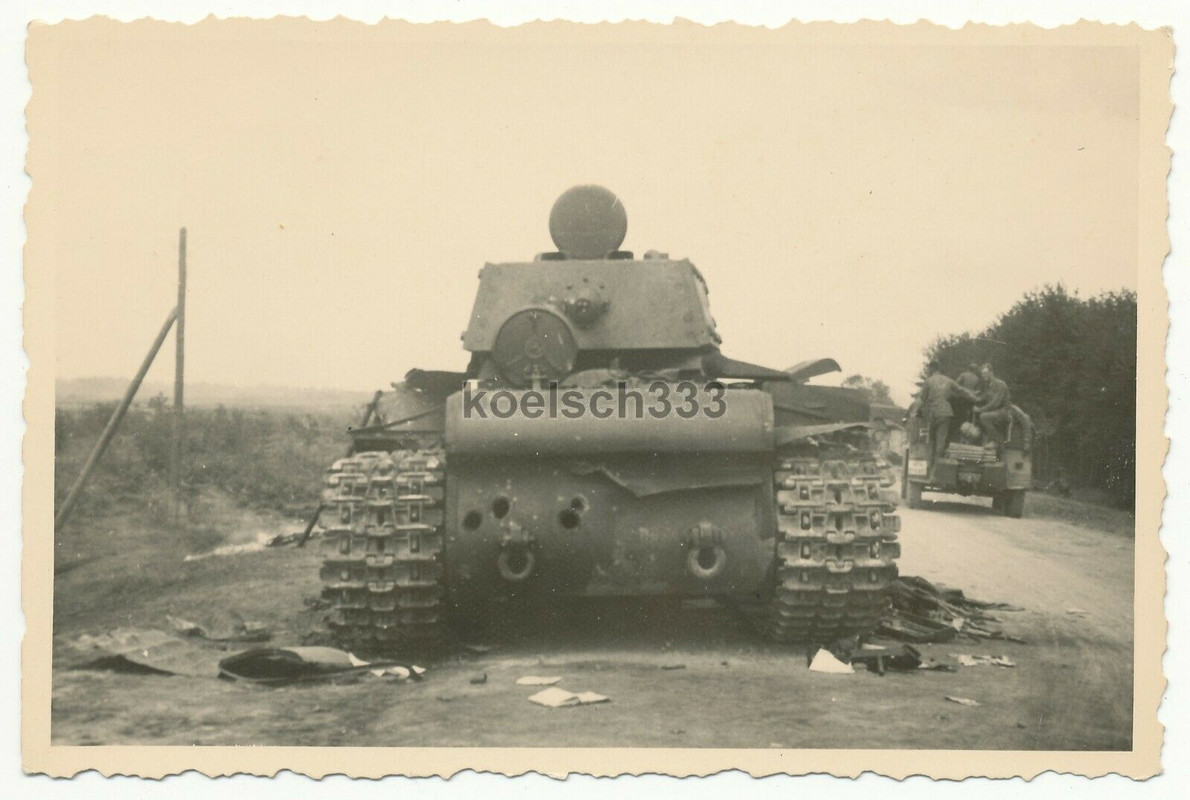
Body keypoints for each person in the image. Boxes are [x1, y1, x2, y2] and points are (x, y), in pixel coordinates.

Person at [918, 360, 979, 477]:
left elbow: (921, 400)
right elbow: (962, 390)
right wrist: (975, 397)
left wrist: (915, 412)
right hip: (946, 413)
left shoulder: (929, 381)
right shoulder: (949, 380)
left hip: (932, 413)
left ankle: (928, 467)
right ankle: (936, 469)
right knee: (941, 440)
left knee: (931, 439)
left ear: (931, 369)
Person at [975, 363, 1012, 451]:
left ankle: (997, 441)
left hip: (1004, 412)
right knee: (983, 417)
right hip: (996, 412)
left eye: (985, 373)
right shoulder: (988, 386)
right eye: (982, 374)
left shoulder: (1001, 384)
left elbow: (995, 403)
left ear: (991, 372)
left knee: (983, 417)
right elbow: (983, 397)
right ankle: (991, 441)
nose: (983, 375)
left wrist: (980, 409)